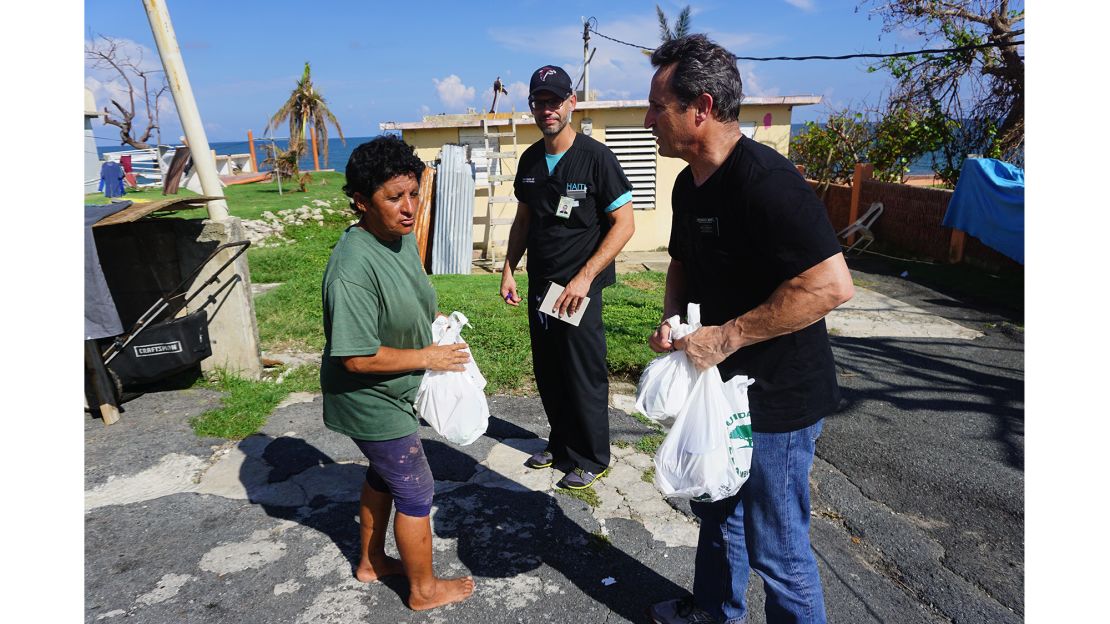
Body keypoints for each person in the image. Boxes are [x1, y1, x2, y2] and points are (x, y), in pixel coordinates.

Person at [642, 35, 854, 624]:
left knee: (777, 547)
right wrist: (675, 320)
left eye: (658, 106)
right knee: (717, 511)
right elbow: (683, 262)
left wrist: (724, 336)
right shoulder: (689, 184)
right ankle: (714, 612)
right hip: (719, 389)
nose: (648, 119)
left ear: (701, 108)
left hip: (779, 402)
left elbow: (831, 286)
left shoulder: (768, 181)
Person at [320, 135, 475, 611]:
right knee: (415, 488)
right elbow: (356, 358)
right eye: (394, 198)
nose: (409, 208)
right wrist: (428, 358)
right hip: (371, 398)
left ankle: (370, 562)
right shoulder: (352, 266)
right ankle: (424, 591)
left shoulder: (399, 238)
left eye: (414, 193)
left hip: (395, 389)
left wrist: (434, 329)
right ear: (362, 202)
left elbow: (407, 298)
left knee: (385, 476)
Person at [500, 64, 636, 490]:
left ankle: (592, 457)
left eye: (555, 101)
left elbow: (624, 223)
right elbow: (523, 220)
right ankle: (560, 446)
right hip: (542, 285)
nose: (547, 110)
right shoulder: (530, 161)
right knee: (550, 370)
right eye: (539, 102)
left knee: (582, 371)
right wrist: (509, 267)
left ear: (571, 104)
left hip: (579, 289)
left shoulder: (596, 158)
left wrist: (584, 278)